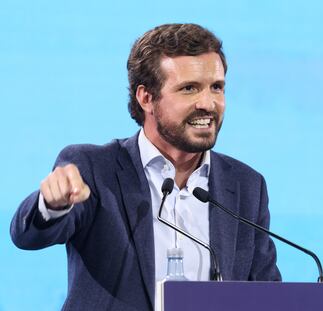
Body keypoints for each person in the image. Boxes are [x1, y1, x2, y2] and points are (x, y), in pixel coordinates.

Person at [10, 23, 281, 311]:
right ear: (146, 98)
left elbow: (267, 293)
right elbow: (28, 236)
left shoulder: (245, 185)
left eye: (216, 87)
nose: (208, 103)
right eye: (189, 88)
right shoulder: (94, 169)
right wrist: (51, 204)